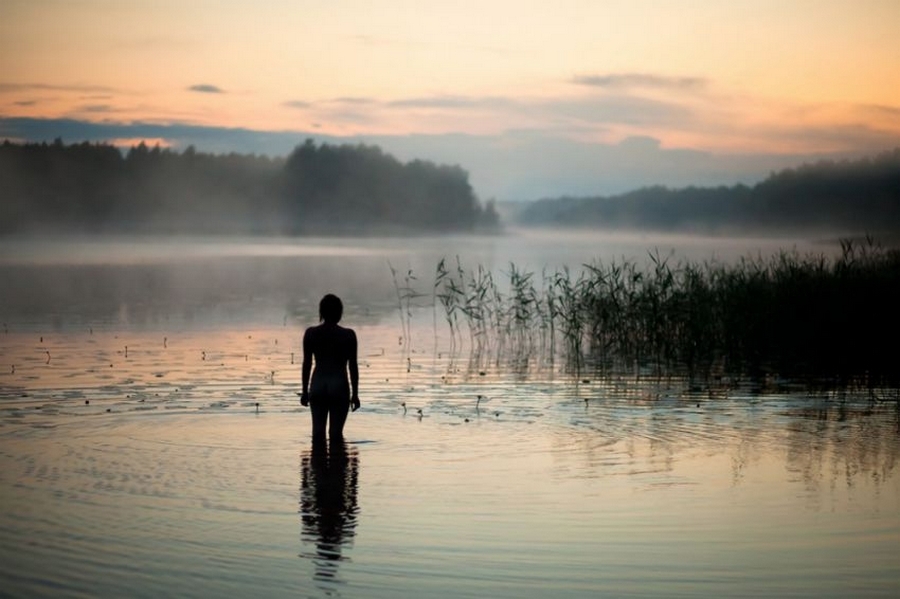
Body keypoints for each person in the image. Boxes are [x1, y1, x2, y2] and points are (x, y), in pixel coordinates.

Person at [301, 294, 360, 441]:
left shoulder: (311, 334)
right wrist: (355, 394)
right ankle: (337, 461)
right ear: (340, 313)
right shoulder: (348, 335)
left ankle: (317, 463)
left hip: (318, 385)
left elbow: (307, 364)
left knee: (317, 434)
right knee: (336, 434)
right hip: (339, 385)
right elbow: (353, 366)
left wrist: (304, 391)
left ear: (321, 312)